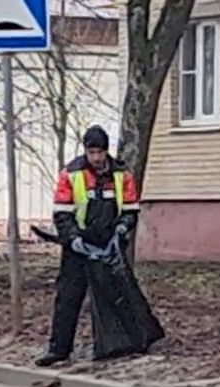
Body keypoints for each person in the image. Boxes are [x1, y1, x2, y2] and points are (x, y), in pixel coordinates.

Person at [35, 126, 163, 367]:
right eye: (92, 152)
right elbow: (62, 214)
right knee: (68, 298)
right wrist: (73, 239)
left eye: (100, 152)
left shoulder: (121, 174)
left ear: (106, 151)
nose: (96, 157)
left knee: (121, 295)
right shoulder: (71, 174)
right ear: (86, 151)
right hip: (78, 248)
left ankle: (137, 340)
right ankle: (59, 350)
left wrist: (121, 232)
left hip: (108, 245)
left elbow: (130, 209)